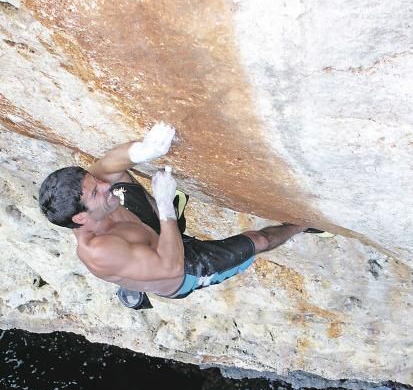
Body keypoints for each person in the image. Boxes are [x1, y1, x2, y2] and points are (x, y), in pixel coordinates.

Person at [38, 122, 323, 307]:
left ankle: (168, 218)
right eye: (95, 192)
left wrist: (144, 150)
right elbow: (171, 265)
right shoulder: (100, 252)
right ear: (80, 218)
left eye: (94, 181)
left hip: (147, 236)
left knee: (121, 175)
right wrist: (164, 205)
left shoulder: (97, 201)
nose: (102, 185)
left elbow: (109, 166)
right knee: (257, 240)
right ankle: (301, 226)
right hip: (178, 269)